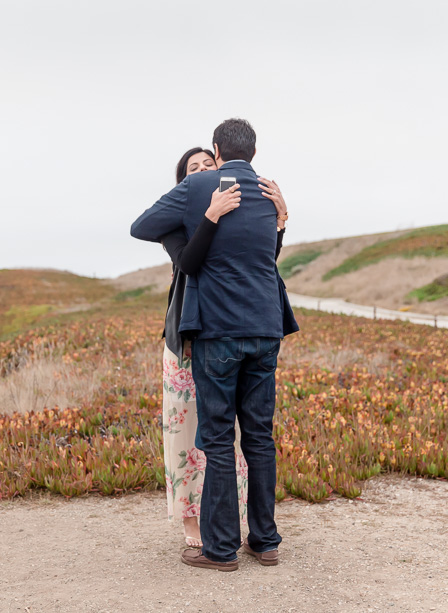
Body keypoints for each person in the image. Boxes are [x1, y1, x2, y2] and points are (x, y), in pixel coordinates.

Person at [132, 118, 285, 571]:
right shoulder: (269, 190)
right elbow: (263, 260)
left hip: (218, 332)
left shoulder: (199, 188)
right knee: (259, 437)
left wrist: (199, 211)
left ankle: (219, 550)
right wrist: (281, 219)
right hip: (265, 330)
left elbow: (142, 226)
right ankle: (265, 542)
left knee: (218, 440)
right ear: (252, 151)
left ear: (217, 150)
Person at [158, 147, 297, 548]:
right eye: (193, 169)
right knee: (189, 438)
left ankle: (234, 534)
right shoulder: (181, 219)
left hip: (226, 336)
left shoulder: (245, 210)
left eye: (208, 165)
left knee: (236, 439)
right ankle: (194, 524)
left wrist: (281, 221)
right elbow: (189, 262)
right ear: (185, 182)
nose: (202, 171)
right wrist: (209, 215)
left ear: (220, 167)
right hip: (189, 338)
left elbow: (263, 264)